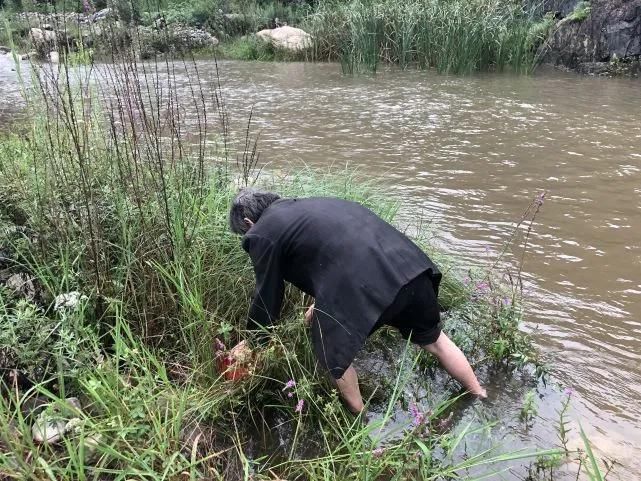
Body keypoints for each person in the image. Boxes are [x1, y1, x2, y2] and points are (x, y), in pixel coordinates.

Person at [228, 188, 487, 413]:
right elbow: (341, 254)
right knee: (436, 342)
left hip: (368, 288)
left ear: (250, 223)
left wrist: (253, 342)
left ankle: (359, 422)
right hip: (412, 271)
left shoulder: (261, 232)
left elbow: (267, 296)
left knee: (332, 358)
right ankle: (480, 394)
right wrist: (319, 308)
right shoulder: (312, 205)